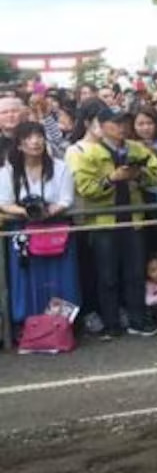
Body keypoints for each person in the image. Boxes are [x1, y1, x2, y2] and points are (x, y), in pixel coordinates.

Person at [72, 106, 157, 338]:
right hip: (104, 223)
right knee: (107, 276)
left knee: (135, 273)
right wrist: (111, 179)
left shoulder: (137, 149)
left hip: (133, 220)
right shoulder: (89, 153)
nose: (122, 127)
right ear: (101, 127)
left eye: (124, 122)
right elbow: (85, 188)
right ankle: (111, 323)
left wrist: (139, 175)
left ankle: (138, 320)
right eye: (115, 123)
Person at [0, 121, 79, 328]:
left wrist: (48, 211)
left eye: (39, 136)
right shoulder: (9, 172)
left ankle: (62, 326)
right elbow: (5, 203)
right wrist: (26, 211)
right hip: (24, 234)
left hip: (56, 231)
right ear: (18, 144)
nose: (35, 142)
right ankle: (28, 326)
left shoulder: (60, 168)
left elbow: (66, 199)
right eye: (28, 138)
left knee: (59, 278)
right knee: (26, 279)